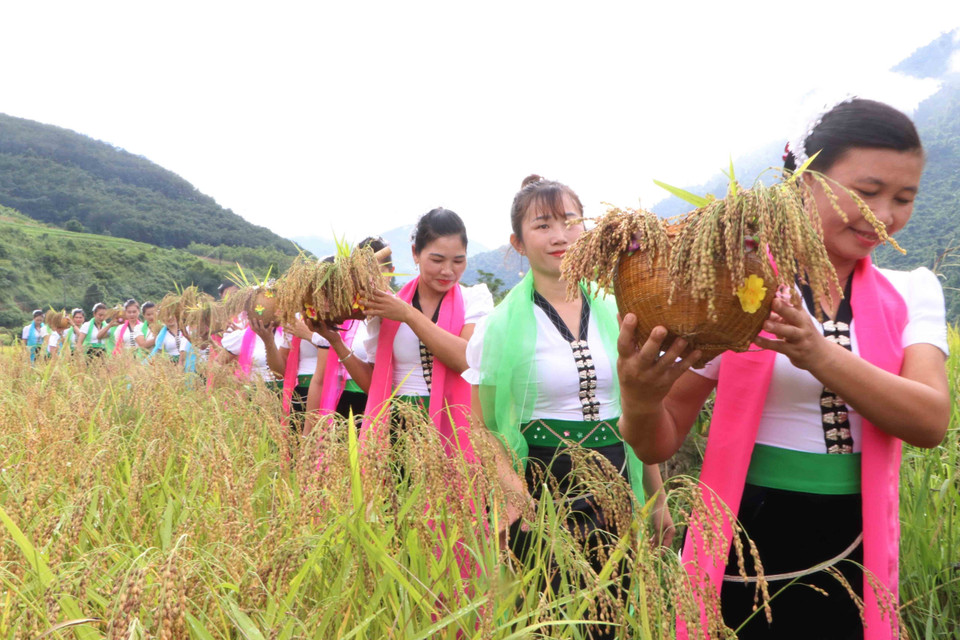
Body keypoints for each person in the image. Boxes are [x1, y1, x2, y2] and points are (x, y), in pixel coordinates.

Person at [616, 99, 950, 640]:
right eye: (866, 192)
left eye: (903, 198)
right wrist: (639, 399)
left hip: (856, 546)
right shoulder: (737, 293)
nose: (883, 216)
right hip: (745, 539)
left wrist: (817, 353)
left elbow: (930, 420)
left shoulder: (913, 291)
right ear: (804, 183)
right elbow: (659, 440)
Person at [464, 175, 672, 639]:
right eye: (542, 225)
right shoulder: (498, 327)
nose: (560, 235)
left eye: (569, 220)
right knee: (548, 616)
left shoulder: (622, 311)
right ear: (518, 242)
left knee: (617, 613)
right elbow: (481, 427)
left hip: (619, 477)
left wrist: (656, 496)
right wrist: (512, 491)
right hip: (542, 485)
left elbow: (641, 410)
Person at [356, 209, 493, 459]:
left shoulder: (474, 300)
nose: (448, 271)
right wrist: (333, 339)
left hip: (453, 427)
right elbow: (374, 381)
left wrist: (409, 315)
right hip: (396, 428)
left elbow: (466, 359)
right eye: (437, 260)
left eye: (458, 261)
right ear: (415, 254)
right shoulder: (388, 308)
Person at [304, 236, 391, 434]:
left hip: (387, 408)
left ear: (391, 273)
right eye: (362, 274)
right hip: (345, 407)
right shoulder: (341, 318)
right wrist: (307, 433)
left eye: (378, 273)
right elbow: (320, 379)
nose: (370, 281)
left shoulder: (400, 315)